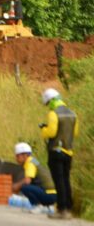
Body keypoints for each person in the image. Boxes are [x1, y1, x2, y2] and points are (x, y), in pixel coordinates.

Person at [40, 87, 79, 219]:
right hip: (69, 151)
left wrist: (43, 130)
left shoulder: (53, 114)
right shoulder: (73, 114)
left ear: (50, 101)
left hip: (56, 151)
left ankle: (61, 209)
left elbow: (51, 132)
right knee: (66, 179)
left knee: (59, 181)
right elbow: (75, 133)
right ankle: (68, 208)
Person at [13, 142, 56, 210]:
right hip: (53, 195)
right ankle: (47, 207)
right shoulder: (34, 161)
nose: (16, 158)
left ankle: (37, 206)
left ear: (25, 155)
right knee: (29, 185)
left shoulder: (30, 163)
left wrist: (16, 186)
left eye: (18, 156)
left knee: (24, 187)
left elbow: (27, 181)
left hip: (49, 195)